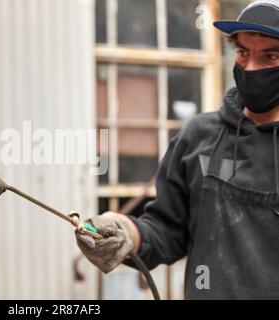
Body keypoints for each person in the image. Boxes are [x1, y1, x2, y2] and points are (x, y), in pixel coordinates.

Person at [76, 0, 279, 299]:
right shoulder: (199, 137)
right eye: (243, 53)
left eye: (269, 56)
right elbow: (168, 229)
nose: (250, 67)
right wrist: (127, 233)